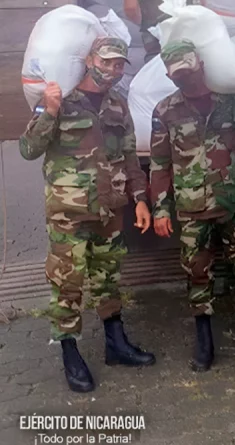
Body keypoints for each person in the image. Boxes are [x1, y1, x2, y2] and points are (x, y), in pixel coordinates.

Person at [19, 37, 156, 393]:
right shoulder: (60, 99)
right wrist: (48, 112)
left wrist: (140, 199)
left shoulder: (117, 106)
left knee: (108, 277)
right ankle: (69, 352)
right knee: (68, 284)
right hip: (70, 213)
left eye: (119, 64)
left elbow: (129, 156)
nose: (112, 69)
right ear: (90, 58)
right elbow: (28, 149)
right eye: (106, 61)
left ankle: (116, 344)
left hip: (110, 209)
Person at [149, 40, 235, 372]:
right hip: (192, 208)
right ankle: (204, 340)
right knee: (197, 275)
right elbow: (160, 164)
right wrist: (160, 209)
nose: (184, 79)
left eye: (187, 71)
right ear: (168, 75)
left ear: (200, 64)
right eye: (177, 75)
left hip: (231, 201)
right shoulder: (165, 110)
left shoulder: (229, 102)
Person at [123, 0, 204, 62]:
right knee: (197, 63)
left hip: (156, 33)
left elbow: (131, 8)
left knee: (161, 70)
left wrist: (148, 24)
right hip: (190, 24)